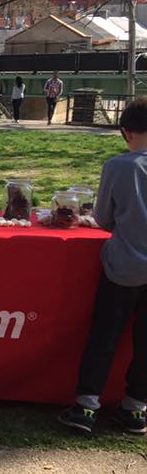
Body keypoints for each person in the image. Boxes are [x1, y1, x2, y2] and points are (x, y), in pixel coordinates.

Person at [58, 97, 147, 435]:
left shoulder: (119, 166)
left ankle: (86, 406)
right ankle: (136, 408)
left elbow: (104, 219)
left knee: (105, 336)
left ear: (125, 132)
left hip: (123, 268)